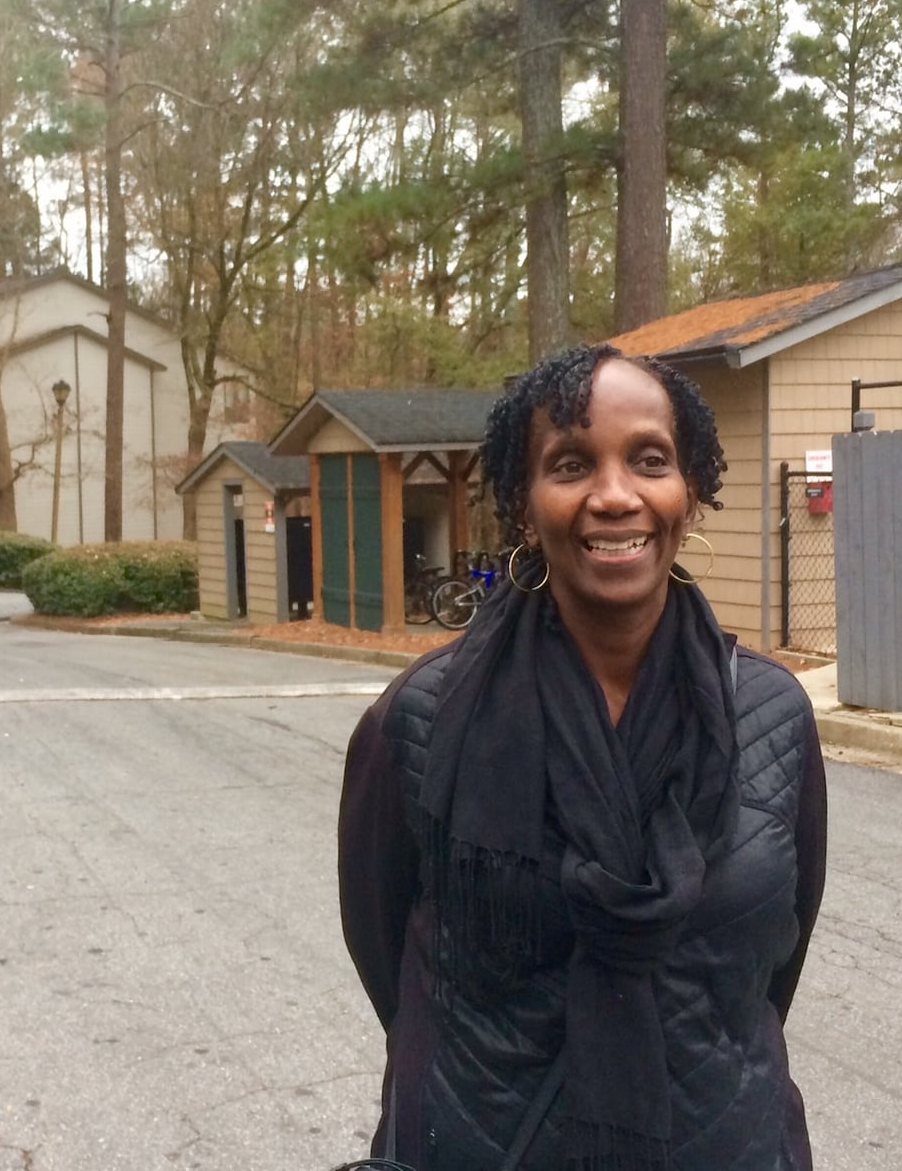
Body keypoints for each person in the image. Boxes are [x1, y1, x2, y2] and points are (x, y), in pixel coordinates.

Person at [338, 345, 827, 1171]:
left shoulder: (772, 714)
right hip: (481, 1145)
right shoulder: (422, 716)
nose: (613, 495)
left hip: (724, 1143)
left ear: (691, 492)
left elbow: (770, 964)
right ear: (525, 504)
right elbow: (386, 951)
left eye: (649, 460)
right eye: (570, 464)